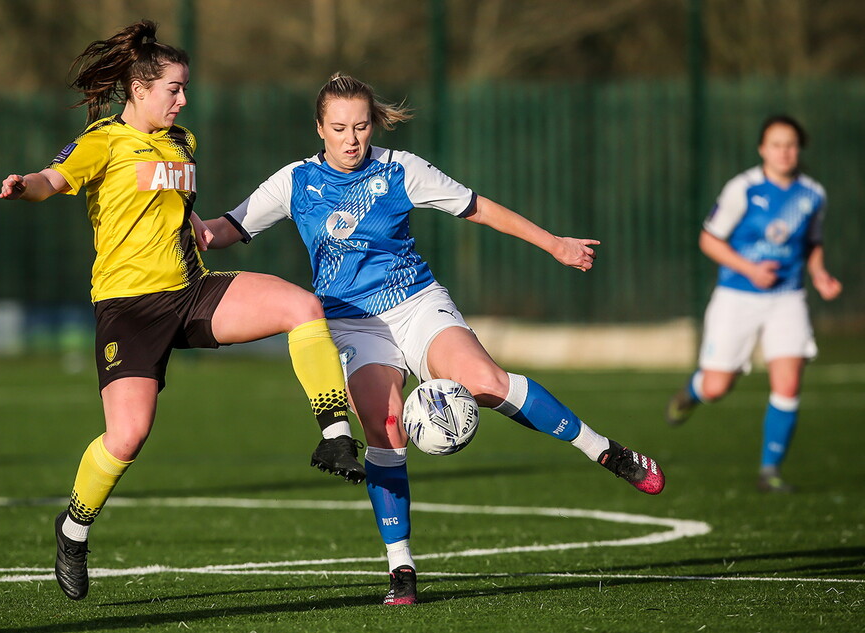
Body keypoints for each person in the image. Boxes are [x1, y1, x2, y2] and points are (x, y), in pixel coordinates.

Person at [195, 72, 665, 606]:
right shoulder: (294, 182)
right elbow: (219, 232)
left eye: (362, 126)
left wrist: (553, 243)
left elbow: (479, 208)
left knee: (485, 382)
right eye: (340, 128)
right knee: (387, 425)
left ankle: (605, 452)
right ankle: (402, 569)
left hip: (416, 303)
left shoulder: (401, 170)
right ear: (319, 128)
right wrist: (172, 211)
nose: (352, 139)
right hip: (351, 323)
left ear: (373, 124)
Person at [0, 23, 364, 601]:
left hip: (192, 291)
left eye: (185, 88)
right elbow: (53, 177)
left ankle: (336, 434)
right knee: (127, 435)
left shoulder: (182, 141)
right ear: (139, 90)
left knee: (302, 306)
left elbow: (176, 212)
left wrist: (202, 229)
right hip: (129, 309)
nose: (183, 99)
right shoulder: (104, 140)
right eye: (174, 88)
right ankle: (72, 529)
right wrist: (26, 186)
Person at [665, 115, 842, 493]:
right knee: (716, 387)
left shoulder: (812, 195)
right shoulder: (742, 189)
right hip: (738, 296)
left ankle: (769, 471)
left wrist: (820, 273)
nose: (785, 152)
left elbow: (812, 242)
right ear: (763, 149)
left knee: (789, 382)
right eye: (777, 144)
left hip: (787, 298)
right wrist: (750, 269)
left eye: (791, 144)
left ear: (800, 149)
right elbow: (709, 240)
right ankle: (692, 392)